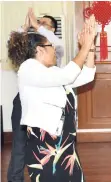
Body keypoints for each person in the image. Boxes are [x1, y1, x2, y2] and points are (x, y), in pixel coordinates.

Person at [7, 13, 97, 182]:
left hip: (66, 146)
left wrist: (90, 45)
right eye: (50, 46)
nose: (54, 49)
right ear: (39, 50)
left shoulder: (53, 71)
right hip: (46, 150)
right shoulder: (28, 68)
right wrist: (83, 47)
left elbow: (87, 76)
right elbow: (68, 75)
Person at [7, 8, 64, 182]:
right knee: (19, 145)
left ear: (52, 30)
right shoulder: (28, 51)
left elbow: (57, 44)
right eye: (38, 23)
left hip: (49, 104)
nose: (38, 25)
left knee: (46, 148)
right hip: (24, 102)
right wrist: (24, 27)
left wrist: (38, 27)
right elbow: (12, 45)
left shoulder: (54, 49)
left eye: (44, 24)